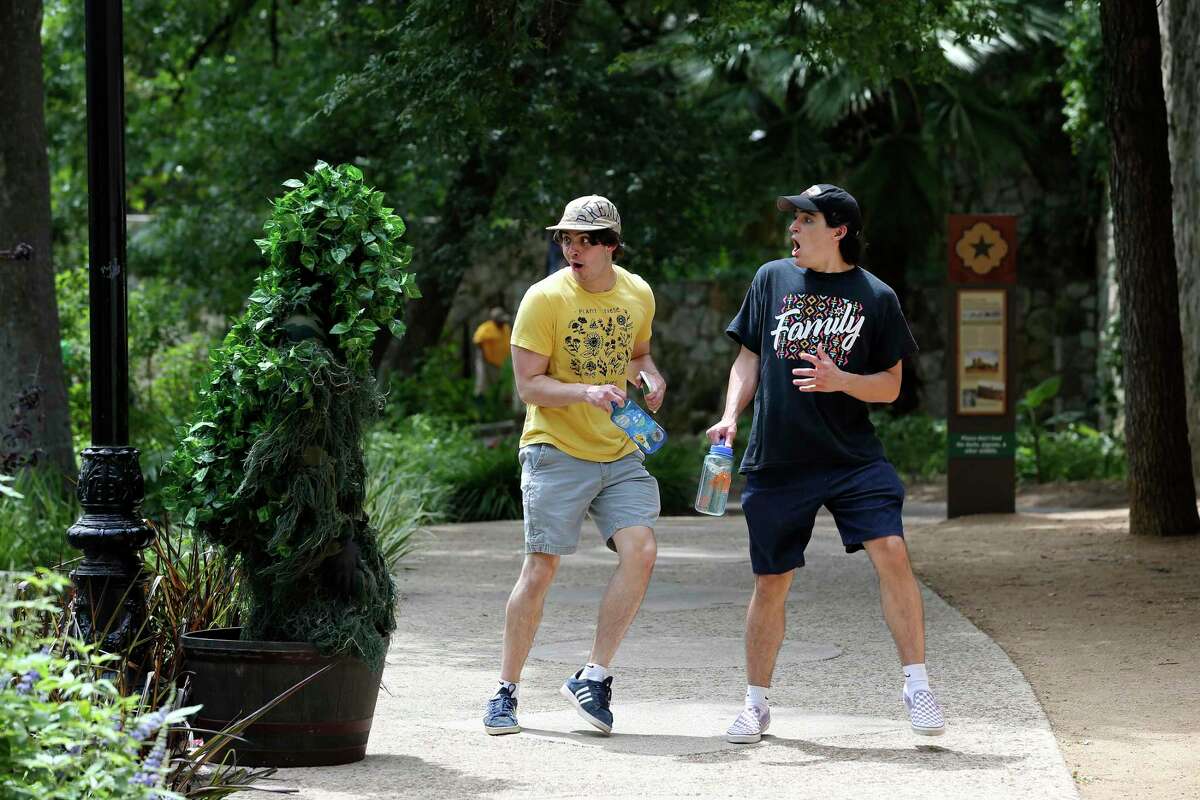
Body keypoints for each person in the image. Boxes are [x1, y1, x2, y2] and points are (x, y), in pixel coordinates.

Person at [707, 184, 944, 744]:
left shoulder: (876, 297)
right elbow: (749, 357)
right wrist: (729, 415)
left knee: (892, 551)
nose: (793, 228)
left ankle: (918, 686)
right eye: (794, 220)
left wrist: (841, 381)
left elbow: (890, 387)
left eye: (806, 220)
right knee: (772, 582)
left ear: (838, 229)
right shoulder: (771, 279)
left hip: (851, 458)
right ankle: (755, 704)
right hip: (779, 458)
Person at [482, 195, 666, 737]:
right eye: (565, 238)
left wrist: (650, 379)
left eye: (585, 239)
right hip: (555, 450)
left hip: (619, 449)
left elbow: (637, 355)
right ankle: (505, 692)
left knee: (643, 551)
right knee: (540, 569)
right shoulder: (543, 300)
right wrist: (585, 390)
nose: (572, 248)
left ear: (611, 244)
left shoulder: (637, 292)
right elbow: (528, 386)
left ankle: (594, 676)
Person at [472, 306, 512, 397]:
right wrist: (483, 357)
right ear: (495, 320)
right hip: (485, 361)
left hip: (498, 363)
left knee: (495, 385)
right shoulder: (486, 328)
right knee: (482, 384)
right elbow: (477, 341)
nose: (502, 323)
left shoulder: (506, 328)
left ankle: (494, 406)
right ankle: (479, 407)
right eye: (500, 321)